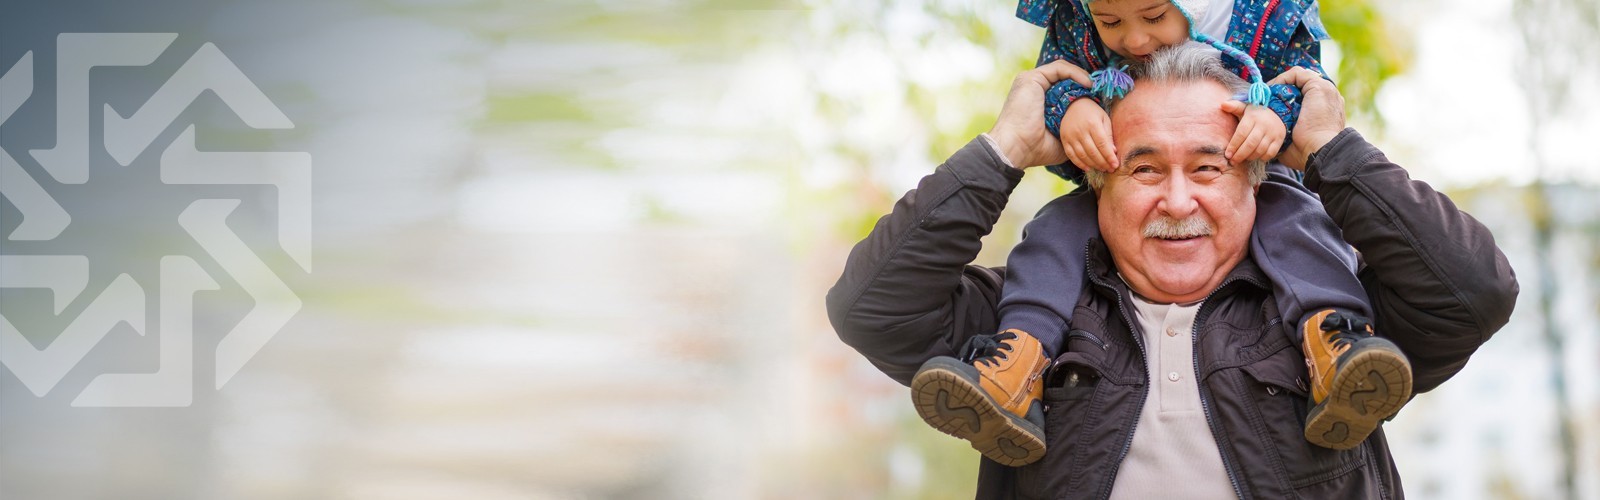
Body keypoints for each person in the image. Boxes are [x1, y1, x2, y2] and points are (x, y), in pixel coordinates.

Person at [826, 46, 1517, 497]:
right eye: (1144, 168)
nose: (1178, 200)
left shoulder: (1335, 319)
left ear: (1257, 184)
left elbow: (1474, 292)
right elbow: (871, 309)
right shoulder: (1024, 318)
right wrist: (1004, 150)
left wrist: (1331, 151)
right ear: (1098, 186)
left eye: (1209, 168)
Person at [907, 0, 1404, 464]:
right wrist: (1074, 107)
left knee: (1298, 224)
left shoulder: (1263, 18)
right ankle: (1017, 363)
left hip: (1257, 176)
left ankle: (1335, 342)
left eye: (1153, 15)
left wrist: (1274, 111)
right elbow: (1059, 79)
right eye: (1111, 22)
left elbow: (1304, 80)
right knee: (1052, 232)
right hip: (1109, 178)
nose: (1136, 39)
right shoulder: (1078, 27)